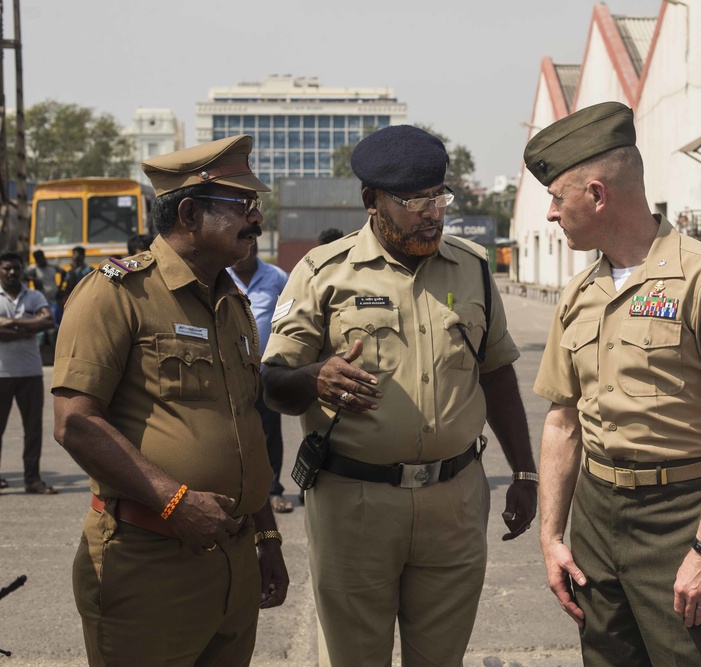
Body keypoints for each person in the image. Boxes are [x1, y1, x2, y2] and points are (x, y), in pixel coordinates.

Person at [262, 124, 537, 666]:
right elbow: (273, 383)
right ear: (372, 201)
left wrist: (525, 472)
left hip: (454, 501)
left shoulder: (473, 268)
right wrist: (315, 377)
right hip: (355, 503)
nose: (432, 212)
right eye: (414, 201)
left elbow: (498, 373)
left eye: (439, 196)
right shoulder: (322, 273)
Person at [525, 102, 701, 666]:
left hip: (680, 514)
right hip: (597, 514)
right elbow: (562, 421)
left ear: (597, 195)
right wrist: (552, 537)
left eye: (557, 197)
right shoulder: (578, 294)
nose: (552, 213)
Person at [51, 134, 289, 666]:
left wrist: (266, 534)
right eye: (241, 206)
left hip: (233, 559)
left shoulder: (232, 303)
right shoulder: (116, 293)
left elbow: (241, 428)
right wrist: (174, 500)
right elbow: (75, 422)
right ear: (189, 213)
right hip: (149, 561)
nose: (255, 218)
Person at [227, 242, 292, 513]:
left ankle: (273, 490)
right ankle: (233, 491)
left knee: (269, 434)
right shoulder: (220, 274)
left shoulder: (276, 277)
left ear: (254, 247)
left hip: (265, 372)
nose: (240, 256)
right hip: (228, 373)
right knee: (229, 434)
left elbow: (289, 316)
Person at [0, 252, 57, 495]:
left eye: (16, 268)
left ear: (22, 270)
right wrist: (27, 327)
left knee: (33, 429)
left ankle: (32, 479)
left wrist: (8, 323)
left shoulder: (34, 295)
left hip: (31, 372)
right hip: (2, 373)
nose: (12, 272)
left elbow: (47, 321)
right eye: (6, 269)